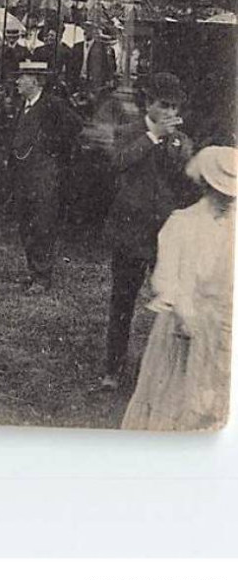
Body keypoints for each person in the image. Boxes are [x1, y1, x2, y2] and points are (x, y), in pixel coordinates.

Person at [121, 146, 236, 431]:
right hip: (184, 326)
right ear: (207, 187)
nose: (228, 200)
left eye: (232, 195)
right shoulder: (183, 223)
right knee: (176, 397)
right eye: (222, 193)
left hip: (222, 327)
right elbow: (167, 279)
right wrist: (183, 314)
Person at [100, 73, 195, 389]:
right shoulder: (128, 132)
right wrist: (153, 137)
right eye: (163, 105)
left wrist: (172, 142)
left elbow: (184, 178)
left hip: (163, 235)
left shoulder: (180, 140)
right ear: (148, 103)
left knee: (169, 302)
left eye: (174, 107)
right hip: (130, 233)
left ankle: (164, 371)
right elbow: (119, 162)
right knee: (122, 304)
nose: (169, 112)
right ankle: (112, 370)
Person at [6, 59, 83, 293]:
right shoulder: (23, 105)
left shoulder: (52, 105)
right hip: (23, 174)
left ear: (36, 81)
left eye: (23, 77)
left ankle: (42, 277)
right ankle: (33, 271)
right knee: (25, 224)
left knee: (42, 225)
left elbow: (76, 125)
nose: (17, 81)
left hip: (44, 176)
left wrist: (53, 147)